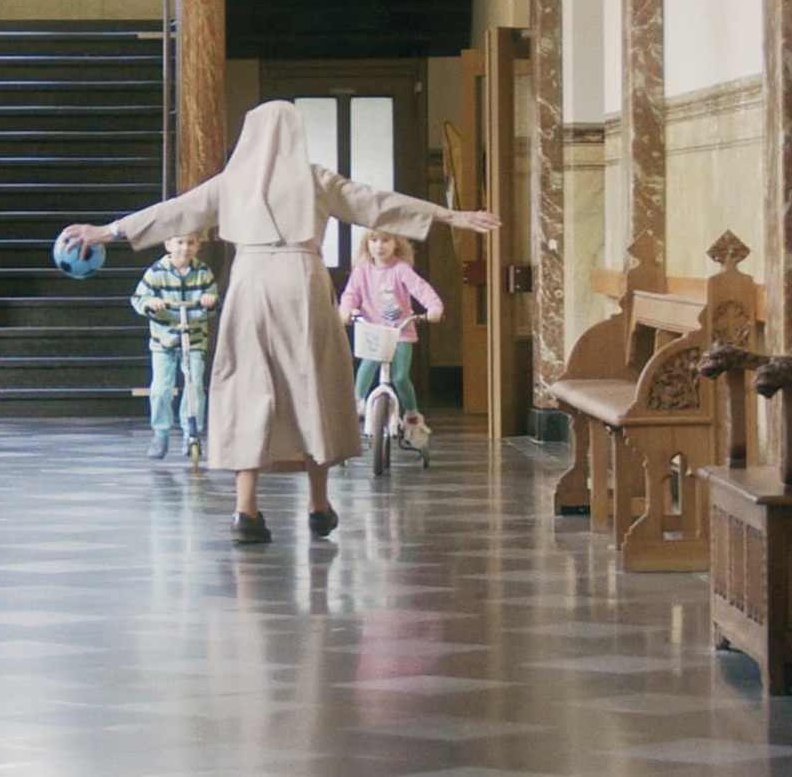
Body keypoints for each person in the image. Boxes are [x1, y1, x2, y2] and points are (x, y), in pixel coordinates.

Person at [61, 100, 499, 545]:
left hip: (250, 283)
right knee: (312, 385)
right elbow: (377, 204)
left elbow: (175, 212)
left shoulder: (232, 182)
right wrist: (450, 215)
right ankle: (318, 503)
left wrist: (108, 230)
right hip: (303, 282)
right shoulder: (315, 179)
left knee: (246, 387)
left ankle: (245, 510)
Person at [130, 233, 219, 460]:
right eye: (180, 243)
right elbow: (139, 299)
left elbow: (212, 299)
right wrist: (150, 303)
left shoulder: (202, 273)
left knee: (194, 387)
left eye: (191, 243)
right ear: (168, 244)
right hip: (164, 341)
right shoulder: (156, 272)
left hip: (194, 339)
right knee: (161, 390)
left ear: (198, 246)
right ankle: (160, 433)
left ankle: (192, 432)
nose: (185, 248)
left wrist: (210, 301)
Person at [339, 230, 444, 421]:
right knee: (368, 364)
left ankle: (412, 415)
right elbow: (350, 294)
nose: (380, 245)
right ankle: (357, 402)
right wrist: (346, 310)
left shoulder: (400, 269)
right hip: (374, 331)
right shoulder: (362, 270)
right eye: (374, 240)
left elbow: (421, 289)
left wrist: (434, 307)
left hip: (400, 332)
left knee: (400, 377)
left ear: (396, 243)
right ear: (367, 245)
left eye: (386, 240)